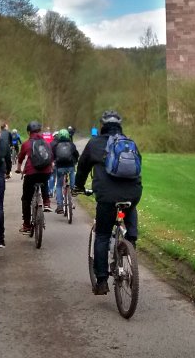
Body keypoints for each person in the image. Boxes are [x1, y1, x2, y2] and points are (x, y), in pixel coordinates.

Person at [74, 110, 142, 296]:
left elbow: (82, 168)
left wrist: (78, 186)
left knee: (103, 235)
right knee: (130, 207)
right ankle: (131, 241)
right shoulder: (129, 143)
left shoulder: (95, 143)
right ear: (120, 125)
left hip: (107, 197)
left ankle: (102, 281)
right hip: (133, 193)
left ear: (102, 125)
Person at [15, 121, 53, 234]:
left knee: (26, 198)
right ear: (40, 131)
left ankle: (26, 225)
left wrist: (19, 168)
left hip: (31, 173)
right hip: (46, 172)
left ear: (28, 132)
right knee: (44, 181)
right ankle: (46, 203)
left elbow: (21, 158)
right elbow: (51, 157)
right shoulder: (46, 143)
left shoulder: (26, 144)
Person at [52, 128, 79, 213]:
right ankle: (73, 189)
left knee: (59, 186)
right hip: (70, 166)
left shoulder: (56, 145)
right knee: (72, 173)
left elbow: (53, 156)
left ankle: (60, 205)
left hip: (60, 167)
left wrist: (54, 163)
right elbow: (76, 154)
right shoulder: (72, 144)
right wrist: (75, 162)